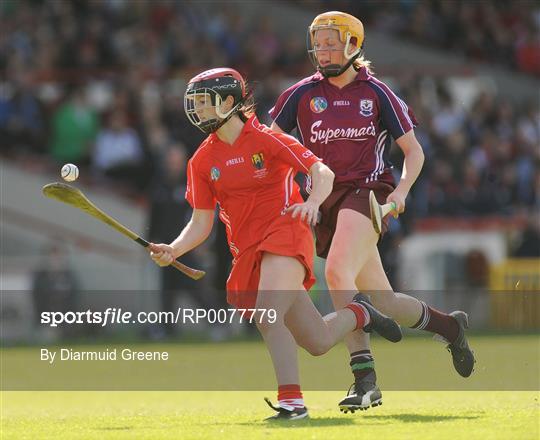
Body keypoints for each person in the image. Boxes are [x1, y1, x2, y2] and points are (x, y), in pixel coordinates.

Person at [149, 67, 402, 420]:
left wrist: (313, 202)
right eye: (196, 104)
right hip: (250, 249)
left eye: (205, 103)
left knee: (268, 314)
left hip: (286, 230)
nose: (199, 111)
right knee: (317, 341)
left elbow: (322, 172)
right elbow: (201, 222)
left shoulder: (268, 140)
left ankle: (292, 404)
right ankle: (362, 313)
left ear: (228, 101)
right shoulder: (202, 161)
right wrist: (174, 249)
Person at [269, 11, 475, 413]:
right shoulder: (300, 94)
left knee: (336, 272)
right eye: (319, 43)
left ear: (352, 45)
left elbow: (413, 152)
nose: (324, 51)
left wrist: (400, 192)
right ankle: (451, 327)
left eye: (332, 43)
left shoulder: (376, 92)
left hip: (366, 191)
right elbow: (272, 143)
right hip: (323, 199)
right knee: (385, 299)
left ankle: (365, 381)